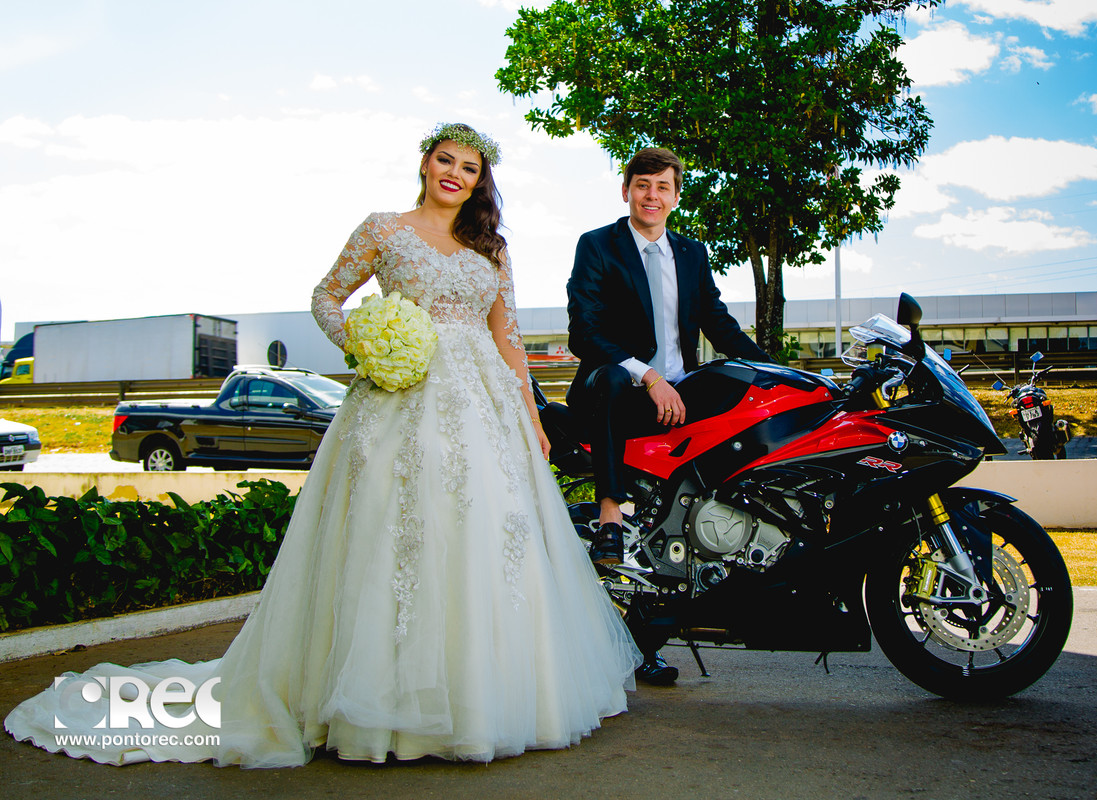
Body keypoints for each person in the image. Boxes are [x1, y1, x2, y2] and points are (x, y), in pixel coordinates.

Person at [5, 123, 640, 767]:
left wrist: (530, 410)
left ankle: (490, 696)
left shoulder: (492, 248)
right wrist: (368, 340)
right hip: (398, 399)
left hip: (484, 406)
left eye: (470, 168)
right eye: (445, 161)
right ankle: (380, 702)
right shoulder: (382, 229)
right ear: (424, 164)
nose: (455, 174)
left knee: (487, 527)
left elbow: (506, 335)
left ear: (481, 182)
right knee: (393, 530)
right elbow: (325, 296)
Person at [565, 147, 769, 686]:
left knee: (741, 407)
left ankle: (653, 632)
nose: (651, 196)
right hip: (617, 391)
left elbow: (719, 325)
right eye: (642, 185)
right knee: (611, 375)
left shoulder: (692, 253)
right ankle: (610, 515)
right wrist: (647, 375)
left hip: (683, 391)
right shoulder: (598, 246)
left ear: (676, 196)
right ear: (626, 190)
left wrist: (778, 371)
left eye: (662, 187)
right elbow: (584, 332)